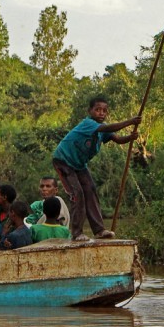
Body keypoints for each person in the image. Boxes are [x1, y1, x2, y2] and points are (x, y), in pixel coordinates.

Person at [53, 96, 141, 241]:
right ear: (90, 111)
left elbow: (117, 139)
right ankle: (77, 233)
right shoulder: (89, 123)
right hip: (63, 160)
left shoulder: (103, 129)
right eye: (98, 110)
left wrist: (130, 137)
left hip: (79, 165)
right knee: (77, 193)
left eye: (104, 111)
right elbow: (107, 128)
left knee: (90, 189)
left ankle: (99, 230)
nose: (101, 113)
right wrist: (130, 121)